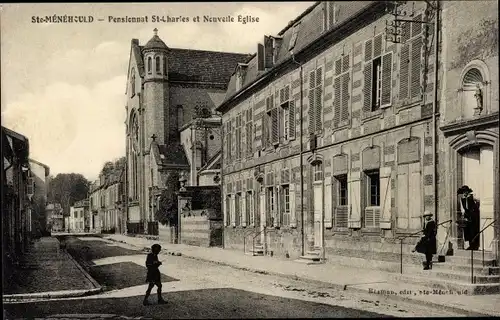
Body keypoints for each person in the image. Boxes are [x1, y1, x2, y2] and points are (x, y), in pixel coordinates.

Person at [457, 185, 480, 250]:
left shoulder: (472, 197)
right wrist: (464, 216)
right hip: (467, 216)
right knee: (467, 231)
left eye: (466, 191)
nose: (465, 193)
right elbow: (462, 209)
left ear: (468, 192)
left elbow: (478, 202)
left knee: (474, 230)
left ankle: (475, 245)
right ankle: (470, 245)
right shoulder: (462, 199)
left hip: (473, 216)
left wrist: (475, 210)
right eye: (464, 192)